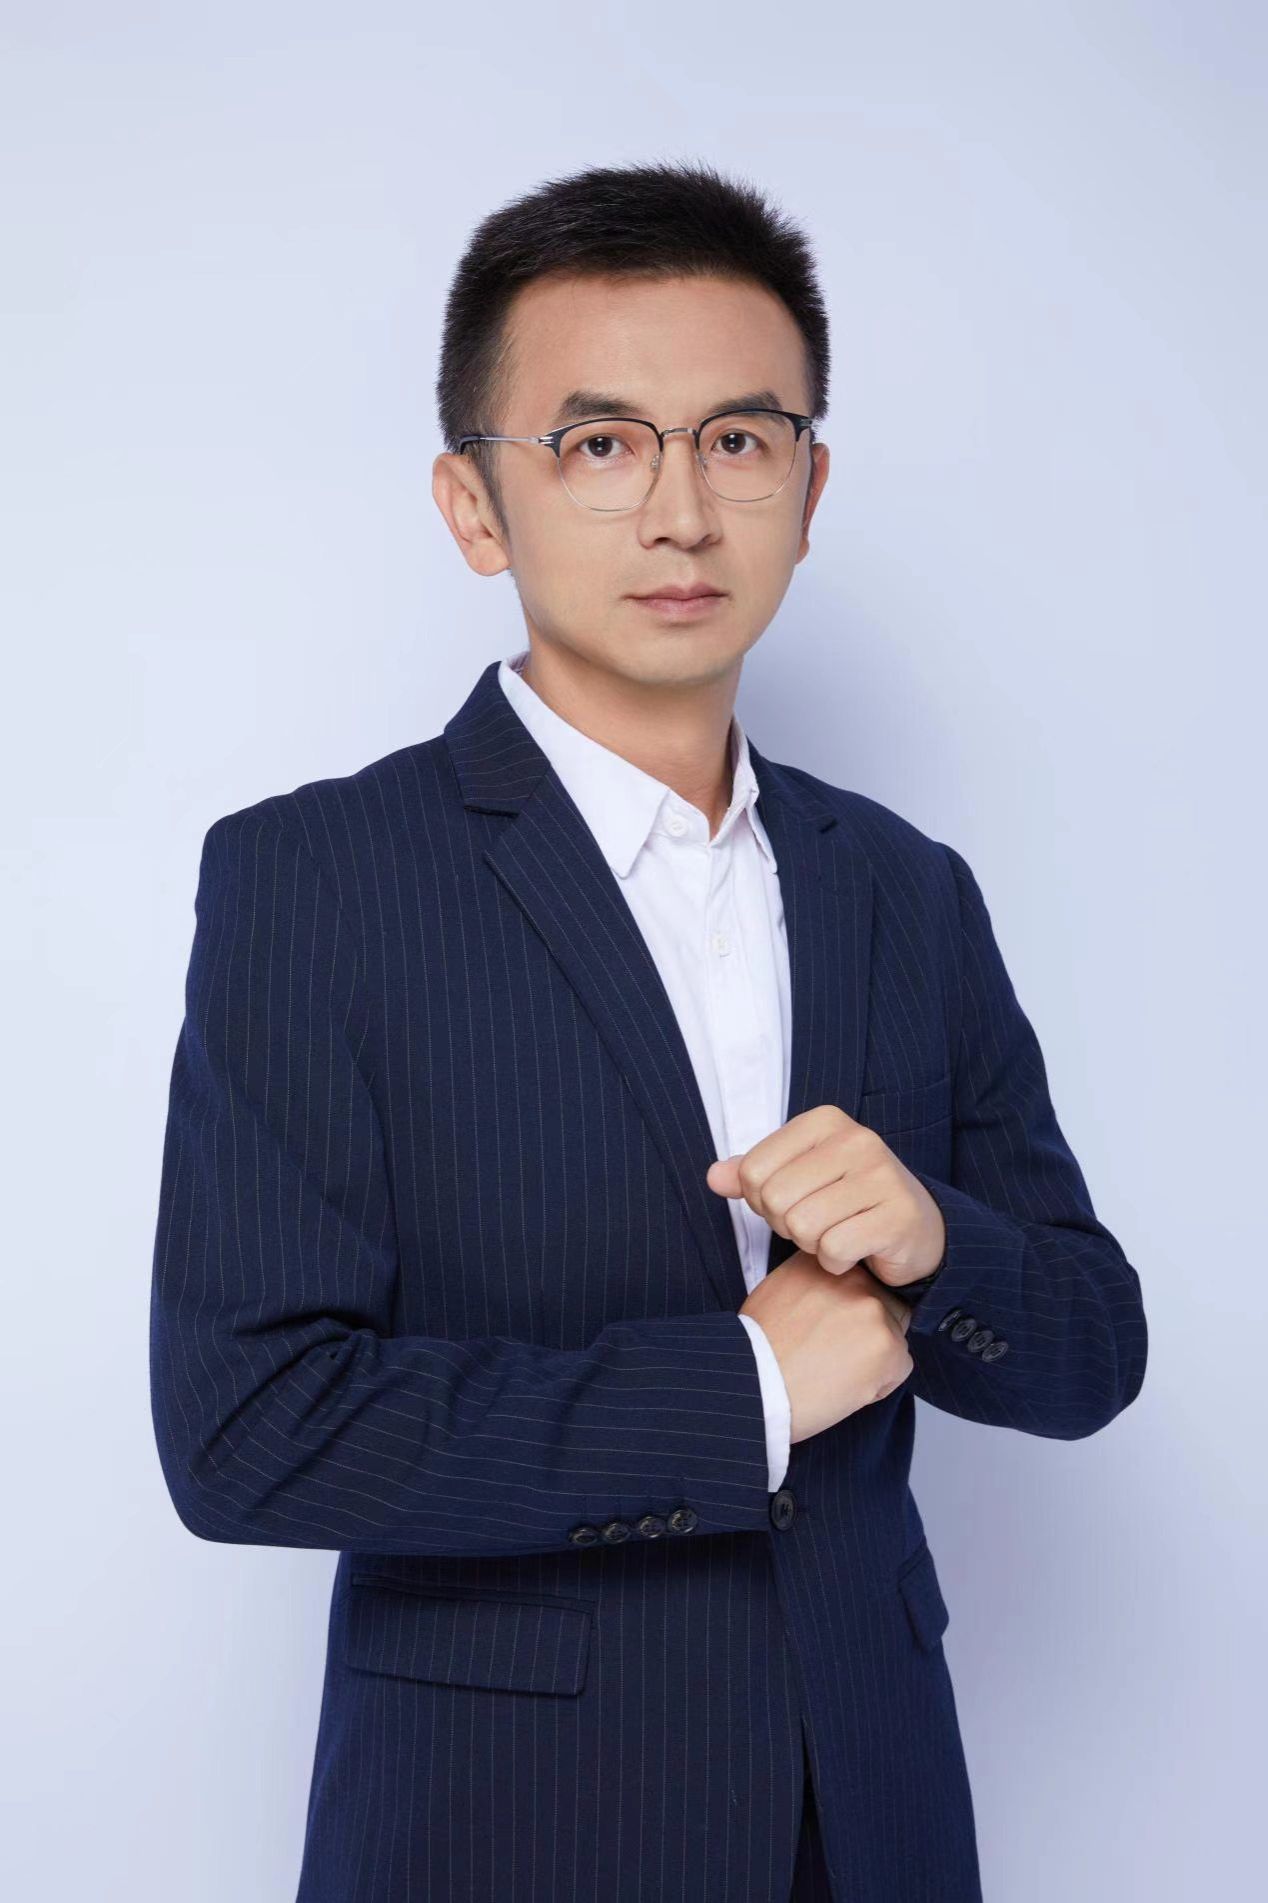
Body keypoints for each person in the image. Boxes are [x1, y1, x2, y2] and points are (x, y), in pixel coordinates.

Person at [149, 159, 1148, 1903]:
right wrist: (744, 1389)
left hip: (879, 1820)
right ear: (474, 505)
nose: (683, 513)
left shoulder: (907, 887)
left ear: (809, 488)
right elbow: (252, 1428)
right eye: (599, 445)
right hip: (507, 1834)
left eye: (739, 439)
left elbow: (1089, 1353)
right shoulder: (316, 879)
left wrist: (937, 1241)